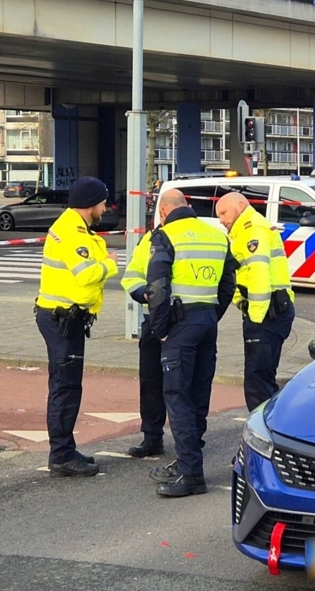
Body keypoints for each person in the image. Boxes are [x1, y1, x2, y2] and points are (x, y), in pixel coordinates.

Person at [146, 189, 236, 498]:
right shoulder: (215, 235)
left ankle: (190, 473)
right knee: (198, 395)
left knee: (177, 396)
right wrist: (212, 313)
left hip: (180, 325)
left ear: (164, 212)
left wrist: (160, 329)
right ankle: (191, 461)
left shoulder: (165, 235)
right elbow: (228, 283)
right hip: (207, 320)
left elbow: (157, 287)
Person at [35, 177, 119, 478]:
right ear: (91, 204)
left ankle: (65, 448)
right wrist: (111, 263)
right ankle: (61, 456)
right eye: (103, 202)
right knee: (65, 387)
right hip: (62, 319)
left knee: (66, 386)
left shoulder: (72, 226)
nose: (105, 207)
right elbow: (85, 274)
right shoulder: (73, 232)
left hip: (61, 316)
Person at [215, 192, 296, 412]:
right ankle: (275, 426)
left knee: (257, 381)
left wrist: (255, 316)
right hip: (272, 310)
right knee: (264, 377)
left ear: (241, 205)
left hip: (267, 313)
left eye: (223, 212)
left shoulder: (252, 229)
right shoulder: (243, 230)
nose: (221, 219)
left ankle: (262, 433)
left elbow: (258, 272)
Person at [120, 222, 166, 459]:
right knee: (150, 380)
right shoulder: (150, 238)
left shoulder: (203, 235)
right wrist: (143, 293)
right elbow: (133, 275)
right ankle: (152, 437)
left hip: (186, 322)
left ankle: (191, 441)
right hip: (155, 317)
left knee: (184, 385)